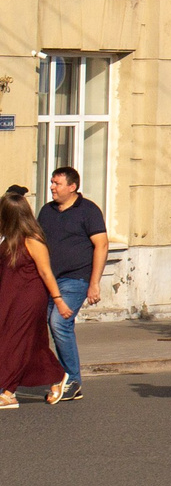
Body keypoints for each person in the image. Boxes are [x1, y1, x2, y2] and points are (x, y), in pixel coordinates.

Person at [36, 166, 105, 402]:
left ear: (72, 187)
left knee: (59, 323)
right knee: (52, 327)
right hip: (49, 280)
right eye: (52, 183)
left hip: (76, 278)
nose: (52, 187)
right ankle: (65, 377)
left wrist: (94, 283)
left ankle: (73, 379)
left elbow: (102, 245)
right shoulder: (47, 211)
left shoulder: (88, 211)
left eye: (57, 183)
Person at [0, 188, 69, 407]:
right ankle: (57, 376)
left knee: (14, 340)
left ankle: (9, 392)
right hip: (9, 295)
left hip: (29, 298)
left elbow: (46, 272)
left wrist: (58, 300)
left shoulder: (33, 240)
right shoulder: (7, 239)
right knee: (32, 344)